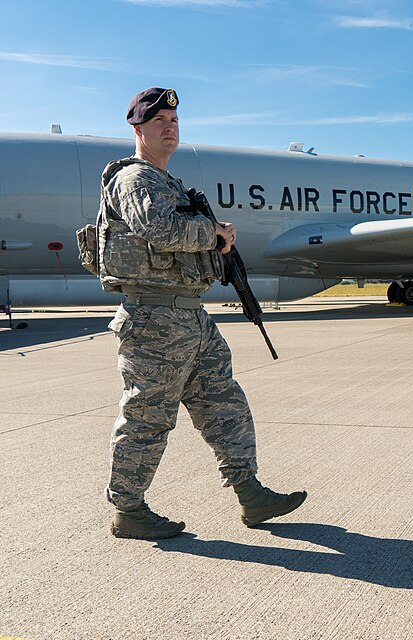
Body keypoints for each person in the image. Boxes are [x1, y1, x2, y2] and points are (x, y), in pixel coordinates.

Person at [98, 87, 306, 539]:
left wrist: (215, 235)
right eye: (158, 122)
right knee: (148, 415)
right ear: (137, 129)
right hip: (153, 319)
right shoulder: (135, 180)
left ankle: (250, 493)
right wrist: (213, 234)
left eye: (173, 120)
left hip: (189, 315)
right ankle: (128, 510)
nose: (169, 127)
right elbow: (161, 229)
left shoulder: (167, 182)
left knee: (223, 403)